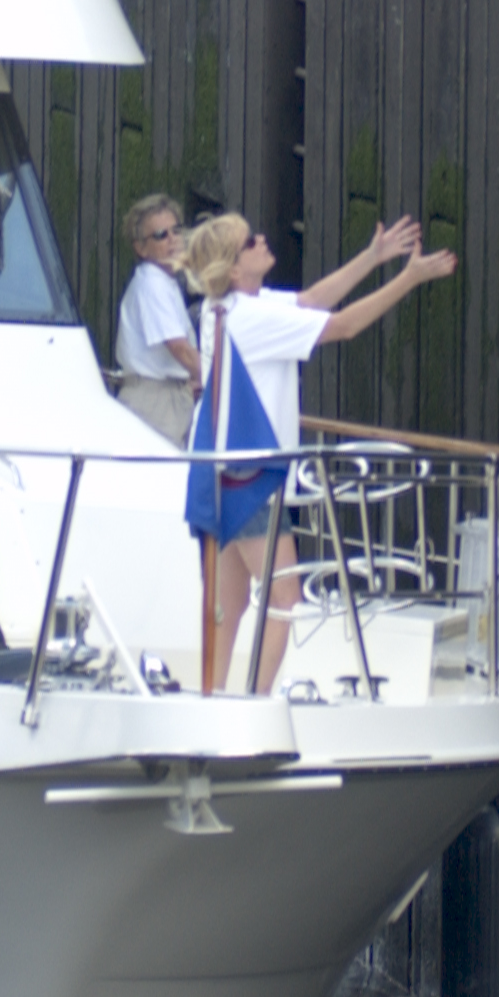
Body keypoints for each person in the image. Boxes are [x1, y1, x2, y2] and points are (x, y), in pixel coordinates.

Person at [178, 209, 459, 696]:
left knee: (229, 603)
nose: (262, 239)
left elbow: (309, 302)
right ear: (235, 269)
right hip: (251, 477)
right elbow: (342, 326)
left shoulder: (225, 309)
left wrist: (372, 258)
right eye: (250, 242)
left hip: (218, 472)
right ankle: (253, 704)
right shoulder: (254, 318)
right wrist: (409, 279)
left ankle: (213, 701)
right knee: (284, 596)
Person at [110, 192, 200, 440]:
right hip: (155, 402)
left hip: (167, 396)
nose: (172, 239)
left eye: (176, 230)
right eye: (161, 235)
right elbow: (179, 349)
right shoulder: (152, 283)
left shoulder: (164, 282)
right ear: (141, 248)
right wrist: (221, 378)